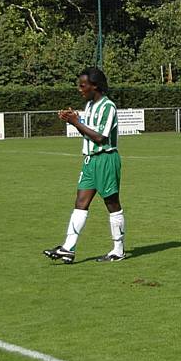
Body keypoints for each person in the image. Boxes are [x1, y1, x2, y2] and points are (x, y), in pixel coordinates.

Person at [43, 67, 126, 264]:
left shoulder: (108, 107)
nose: (80, 89)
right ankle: (68, 248)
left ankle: (118, 250)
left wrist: (76, 122)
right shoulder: (89, 106)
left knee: (112, 203)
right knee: (80, 202)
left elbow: (99, 137)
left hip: (106, 158)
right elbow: (88, 132)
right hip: (90, 160)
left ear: (94, 86)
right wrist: (74, 121)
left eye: (83, 85)